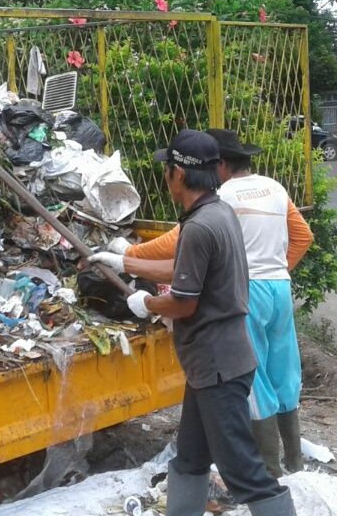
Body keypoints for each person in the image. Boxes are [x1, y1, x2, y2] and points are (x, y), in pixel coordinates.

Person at [93, 129, 310, 477]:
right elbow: (303, 235)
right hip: (280, 289)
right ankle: (296, 463)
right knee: (284, 373)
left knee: (256, 386)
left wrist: (129, 253)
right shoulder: (275, 187)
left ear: (220, 164)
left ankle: (270, 471)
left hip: (246, 293)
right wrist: (277, 268)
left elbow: (177, 246)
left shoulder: (220, 202)